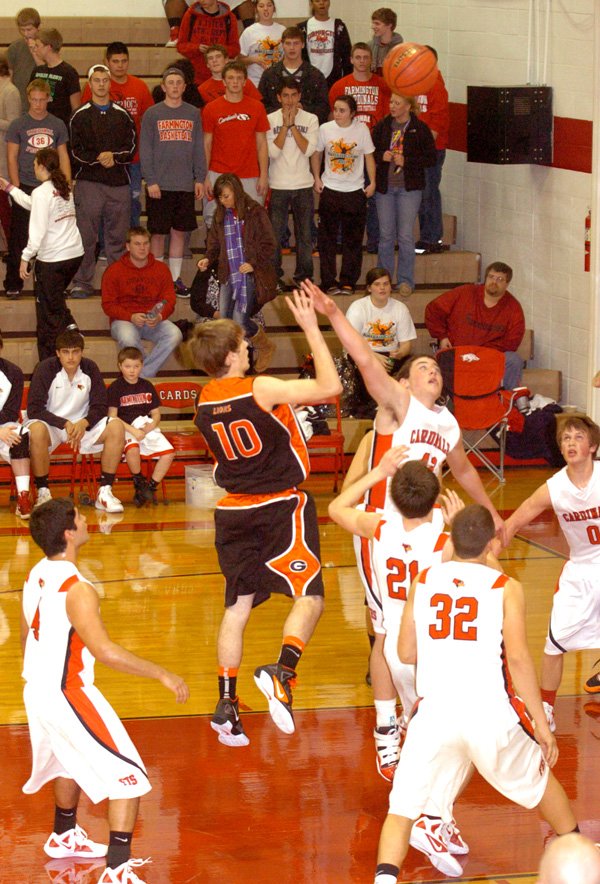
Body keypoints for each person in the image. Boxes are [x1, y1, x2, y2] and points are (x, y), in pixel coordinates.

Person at [373, 504, 578, 884]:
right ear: (490, 545)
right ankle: (577, 844)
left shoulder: (423, 579)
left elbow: (405, 654)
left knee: (400, 812)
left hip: (434, 716)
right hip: (489, 715)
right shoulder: (506, 588)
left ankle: (384, 877)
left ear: (450, 539)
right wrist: (542, 725)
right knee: (540, 782)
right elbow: (517, 659)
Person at [190, 289, 342, 746]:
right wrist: (312, 328)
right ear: (234, 353)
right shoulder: (260, 387)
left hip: (233, 511)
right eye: (243, 343)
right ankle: (283, 671)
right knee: (310, 597)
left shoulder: (202, 401)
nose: (249, 348)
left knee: (237, 608)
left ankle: (226, 699)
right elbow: (330, 387)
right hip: (279, 505)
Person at [21, 497, 188, 884]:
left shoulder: (37, 573)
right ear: (69, 533)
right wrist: (161, 673)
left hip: (37, 688)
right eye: (80, 517)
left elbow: (29, 632)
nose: (86, 519)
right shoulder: (78, 589)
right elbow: (105, 651)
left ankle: (64, 836)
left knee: (68, 761)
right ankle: (118, 869)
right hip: (68, 692)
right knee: (129, 777)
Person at [330, 453, 471, 877]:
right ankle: (431, 816)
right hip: (430, 653)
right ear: (436, 501)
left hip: (394, 650)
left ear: (393, 495)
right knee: (459, 741)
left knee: (427, 732)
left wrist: (377, 472)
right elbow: (478, 565)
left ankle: (435, 815)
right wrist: (460, 523)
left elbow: (337, 508)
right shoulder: (443, 541)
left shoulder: (378, 528)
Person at [300, 279, 505, 535]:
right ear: (404, 383)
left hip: (427, 520)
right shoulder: (400, 403)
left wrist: (492, 512)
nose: (433, 372)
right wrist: (333, 312)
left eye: (436, 370)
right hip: (383, 518)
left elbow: (463, 470)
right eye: (423, 368)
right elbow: (364, 358)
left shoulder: (449, 423)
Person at [502, 415, 600, 729]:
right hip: (580, 570)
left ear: (593, 446)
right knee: (553, 644)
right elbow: (518, 519)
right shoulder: (555, 488)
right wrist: (495, 540)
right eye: (566, 439)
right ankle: (546, 708)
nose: (571, 443)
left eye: (578, 437)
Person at [25, 328, 126, 514]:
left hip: (82, 426)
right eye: (65, 352)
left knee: (116, 425)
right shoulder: (45, 369)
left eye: (75, 352)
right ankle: (43, 491)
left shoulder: (90, 368)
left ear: (82, 352)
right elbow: (34, 409)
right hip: (52, 426)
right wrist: (65, 423)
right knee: (36, 430)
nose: (71, 357)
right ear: (57, 353)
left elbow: (100, 405)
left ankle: (104, 492)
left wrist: (84, 422)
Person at [0, 147, 82, 361]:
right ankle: (69, 325)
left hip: (53, 260)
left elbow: (37, 232)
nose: (33, 167)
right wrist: (10, 189)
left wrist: (24, 258)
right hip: (73, 255)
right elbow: (34, 204)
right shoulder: (63, 188)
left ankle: (52, 356)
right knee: (53, 300)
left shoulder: (42, 192)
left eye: (35, 163)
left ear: (42, 167)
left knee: (46, 313)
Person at [196, 172, 277, 372]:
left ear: (237, 192)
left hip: (249, 274)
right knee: (225, 320)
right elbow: (214, 244)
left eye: (226, 196)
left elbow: (269, 244)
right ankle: (231, 364)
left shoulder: (255, 212)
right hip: (227, 272)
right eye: (220, 198)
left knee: (239, 320)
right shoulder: (220, 215)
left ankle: (264, 345)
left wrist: (253, 263)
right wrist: (208, 258)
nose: (223, 201)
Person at [69, 64, 136, 299]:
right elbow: (75, 151)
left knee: (117, 239)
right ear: (90, 84)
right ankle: (82, 282)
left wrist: (114, 157)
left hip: (119, 185)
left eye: (104, 80)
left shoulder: (123, 115)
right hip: (89, 184)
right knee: (86, 237)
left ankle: (116, 284)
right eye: (96, 80)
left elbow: (131, 147)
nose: (100, 84)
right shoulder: (79, 116)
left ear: (110, 83)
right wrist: (100, 159)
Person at [140, 66, 205, 298]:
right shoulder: (152, 114)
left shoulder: (193, 113)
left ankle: (174, 279)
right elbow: (145, 149)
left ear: (184, 87)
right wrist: (151, 179)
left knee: (179, 232)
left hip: (184, 184)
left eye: (179, 82)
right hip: (160, 185)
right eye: (171, 82)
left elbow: (199, 147)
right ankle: (157, 279)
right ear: (164, 86)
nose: (175, 86)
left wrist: (200, 177)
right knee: (158, 233)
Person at [4, 78, 69, 299]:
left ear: (48, 99)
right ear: (28, 99)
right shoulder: (18, 125)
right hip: (26, 185)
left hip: (51, 187)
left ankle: (50, 284)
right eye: (34, 100)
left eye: (42, 100)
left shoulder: (58, 124)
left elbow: (63, 156)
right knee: (20, 237)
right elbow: (12, 157)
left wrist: (65, 185)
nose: (38, 104)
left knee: (51, 236)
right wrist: (15, 188)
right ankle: (13, 282)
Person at [80, 42, 153, 228]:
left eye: (124, 61)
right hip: (102, 159)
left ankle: (132, 246)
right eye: (115, 61)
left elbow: (149, 122)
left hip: (132, 159)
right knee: (105, 206)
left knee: (133, 202)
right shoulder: (94, 87)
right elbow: (84, 120)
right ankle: (106, 250)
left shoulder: (140, 86)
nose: (120, 65)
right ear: (107, 62)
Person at [328, 42, 391, 255]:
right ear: (351, 59)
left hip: (373, 148)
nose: (362, 61)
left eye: (366, 57)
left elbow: (387, 117)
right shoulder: (340, 86)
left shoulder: (383, 85)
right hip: (346, 150)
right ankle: (337, 241)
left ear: (371, 60)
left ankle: (373, 242)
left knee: (372, 198)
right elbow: (332, 117)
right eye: (358, 57)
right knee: (340, 200)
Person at [372, 93, 437, 297]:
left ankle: (405, 280)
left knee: (406, 236)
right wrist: (380, 155)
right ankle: (383, 281)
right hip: (386, 188)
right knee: (386, 236)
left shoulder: (419, 128)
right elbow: (370, 150)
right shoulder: (383, 126)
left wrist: (406, 161)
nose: (392, 106)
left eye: (397, 103)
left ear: (408, 106)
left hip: (409, 189)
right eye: (391, 102)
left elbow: (430, 158)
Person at [424, 261, 526, 390]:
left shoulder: (513, 308)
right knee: (439, 361)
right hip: (456, 352)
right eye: (491, 277)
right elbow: (434, 310)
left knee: (514, 360)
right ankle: (445, 403)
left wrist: (482, 354)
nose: (494, 282)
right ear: (485, 278)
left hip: (489, 357)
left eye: (500, 279)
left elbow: (513, 341)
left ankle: (507, 401)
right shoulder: (465, 292)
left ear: (507, 283)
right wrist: (442, 336)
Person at [311, 94, 375, 295]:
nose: (337, 114)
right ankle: (328, 281)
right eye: (335, 109)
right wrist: (316, 177)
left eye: (342, 110)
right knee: (327, 240)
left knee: (353, 240)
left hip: (354, 191)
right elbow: (316, 153)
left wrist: (372, 182)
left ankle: (348, 281)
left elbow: (369, 156)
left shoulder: (362, 130)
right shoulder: (325, 129)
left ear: (352, 113)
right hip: (330, 189)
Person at [101, 226, 182, 378]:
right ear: (127, 246)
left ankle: (144, 375)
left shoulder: (161, 269)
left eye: (145, 243)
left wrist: (159, 316)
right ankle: (145, 375)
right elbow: (108, 305)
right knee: (128, 338)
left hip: (152, 319)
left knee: (175, 334)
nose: (142, 248)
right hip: (124, 320)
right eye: (137, 244)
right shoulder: (114, 271)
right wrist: (130, 316)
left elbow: (169, 299)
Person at [202, 60, 269, 228]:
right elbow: (207, 144)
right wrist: (205, 176)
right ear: (224, 81)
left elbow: (262, 144)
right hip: (218, 172)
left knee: (252, 221)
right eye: (231, 78)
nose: (235, 82)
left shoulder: (257, 107)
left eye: (239, 78)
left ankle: (248, 255)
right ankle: (216, 255)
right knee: (215, 221)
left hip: (250, 174)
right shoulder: (211, 108)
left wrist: (264, 175)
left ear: (245, 82)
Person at [267, 76, 318, 289]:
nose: (289, 100)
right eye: (285, 96)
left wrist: (292, 126)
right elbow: (272, 152)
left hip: (304, 184)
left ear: (300, 96)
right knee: (275, 236)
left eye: (293, 95)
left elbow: (309, 150)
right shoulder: (269, 119)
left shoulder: (311, 119)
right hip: (278, 184)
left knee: (305, 235)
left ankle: (303, 279)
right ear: (279, 97)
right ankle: (274, 277)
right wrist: (284, 127)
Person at [107, 347, 175, 506]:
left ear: (142, 366)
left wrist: (151, 426)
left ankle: (150, 488)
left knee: (169, 453)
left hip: (145, 426)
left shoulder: (147, 385)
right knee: (133, 449)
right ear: (120, 366)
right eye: (128, 366)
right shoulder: (116, 387)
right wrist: (133, 431)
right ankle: (139, 481)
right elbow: (112, 416)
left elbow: (156, 414)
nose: (132, 370)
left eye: (136, 366)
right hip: (125, 428)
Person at [345, 267, 416, 416]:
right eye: (377, 284)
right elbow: (350, 343)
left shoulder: (400, 308)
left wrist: (399, 353)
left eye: (386, 284)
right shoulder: (358, 308)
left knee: (413, 364)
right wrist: (373, 357)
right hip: (362, 353)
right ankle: (369, 405)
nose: (382, 288)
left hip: (390, 355)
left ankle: (403, 405)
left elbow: (406, 345)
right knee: (367, 365)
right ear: (369, 288)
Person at [415, 48, 449, 254]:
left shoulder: (436, 84)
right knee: (421, 192)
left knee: (428, 192)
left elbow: (439, 120)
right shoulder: (412, 83)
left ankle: (432, 238)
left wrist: (424, 147)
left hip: (432, 149)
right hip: (417, 149)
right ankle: (427, 236)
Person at [259, 26, 330, 124]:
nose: (292, 48)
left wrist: (303, 109)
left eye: (296, 43)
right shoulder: (270, 75)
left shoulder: (315, 76)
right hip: (276, 130)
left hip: (306, 130)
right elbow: (260, 106)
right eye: (288, 43)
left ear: (303, 45)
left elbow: (324, 108)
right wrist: (281, 112)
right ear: (282, 45)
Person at [0, 332, 32, 519]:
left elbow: (11, 412)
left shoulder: (13, 373)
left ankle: (23, 497)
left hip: (5, 428)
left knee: (20, 434)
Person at [176, 0, 240, 85]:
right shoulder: (190, 15)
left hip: (221, 78)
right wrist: (197, 48)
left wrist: (219, 50)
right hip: (195, 78)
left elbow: (235, 49)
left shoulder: (229, 18)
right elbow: (180, 45)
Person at [30, 27, 80, 127]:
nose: (35, 49)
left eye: (38, 45)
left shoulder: (69, 72)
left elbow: (76, 108)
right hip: (39, 127)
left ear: (48, 47)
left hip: (60, 129)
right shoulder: (37, 71)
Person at [297, 0, 352, 89]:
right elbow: (298, 57)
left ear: (329, 2)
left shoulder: (339, 26)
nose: (321, 3)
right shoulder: (302, 28)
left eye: (325, 0)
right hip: (310, 80)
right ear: (311, 4)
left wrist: (347, 81)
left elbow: (347, 57)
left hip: (334, 79)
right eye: (317, 1)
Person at [0, 54, 21, 248]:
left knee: (6, 206)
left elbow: (14, 125)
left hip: (5, 158)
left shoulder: (10, 91)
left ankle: (13, 246)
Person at [239, 0, 285, 87]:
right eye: (261, 6)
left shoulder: (282, 30)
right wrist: (253, 59)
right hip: (255, 83)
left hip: (277, 82)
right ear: (256, 9)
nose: (265, 9)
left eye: (269, 5)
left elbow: (288, 58)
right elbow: (239, 60)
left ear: (274, 8)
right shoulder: (249, 32)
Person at [7, 7, 42, 107]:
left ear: (38, 27)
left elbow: (46, 71)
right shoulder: (15, 47)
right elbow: (9, 77)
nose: (26, 34)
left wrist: (34, 52)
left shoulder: (46, 46)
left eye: (29, 29)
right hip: (20, 101)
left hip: (40, 101)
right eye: (22, 30)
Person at [369, 8, 404, 76]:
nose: (373, 27)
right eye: (373, 23)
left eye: (377, 24)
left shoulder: (401, 50)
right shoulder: (369, 46)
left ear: (389, 25)